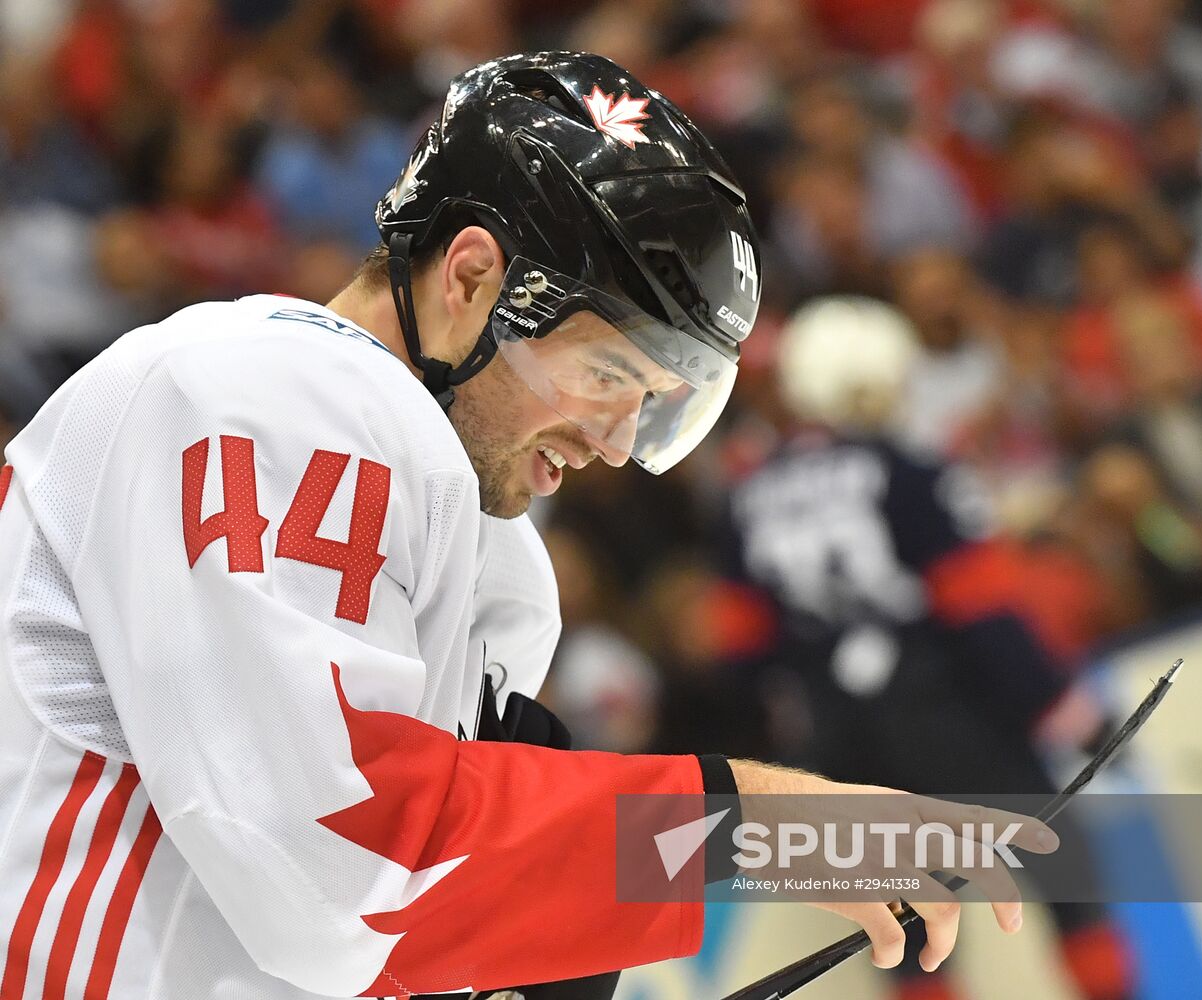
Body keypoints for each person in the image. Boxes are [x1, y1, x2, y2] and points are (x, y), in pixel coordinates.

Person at [0, 53, 1049, 1000]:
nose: (612, 442)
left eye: (655, 406)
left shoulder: (483, 540)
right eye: (607, 376)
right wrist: (766, 828)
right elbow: (353, 869)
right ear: (469, 279)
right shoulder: (265, 392)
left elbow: (451, 904)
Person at [722, 296, 1135, 1000]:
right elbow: (985, 613)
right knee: (1064, 871)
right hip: (947, 710)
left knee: (910, 928)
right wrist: (1067, 708)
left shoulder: (743, 499)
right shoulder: (908, 469)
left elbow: (739, 651)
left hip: (838, 737)